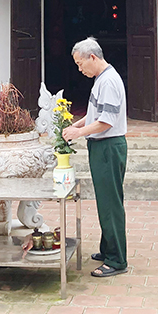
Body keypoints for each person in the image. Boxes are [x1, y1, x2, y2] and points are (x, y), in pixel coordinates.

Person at [62, 37, 129, 277]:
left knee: (110, 202)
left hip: (108, 147)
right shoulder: (101, 79)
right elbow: (94, 114)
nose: (80, 69)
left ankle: (117, 259)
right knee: (106, 200)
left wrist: (79, 132)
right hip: (102, 146)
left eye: (81, 64)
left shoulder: (108, 81)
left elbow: (105, 122)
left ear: (93, 57)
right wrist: (76, 125)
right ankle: (109, 248)